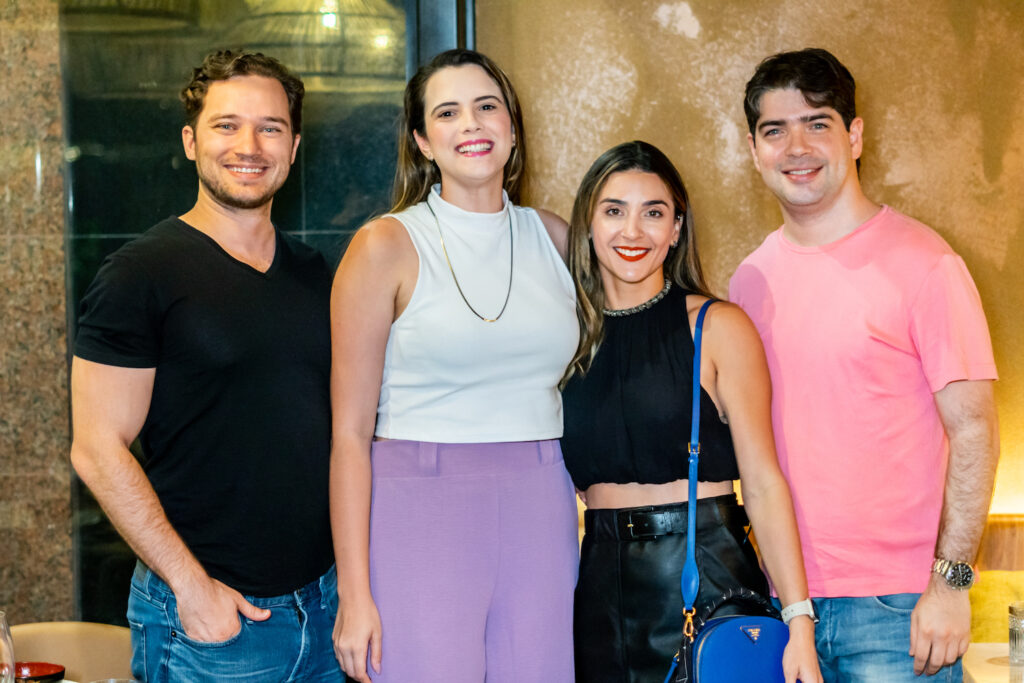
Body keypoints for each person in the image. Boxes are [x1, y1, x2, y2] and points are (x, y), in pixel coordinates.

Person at [69, 50, 343, 682]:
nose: (249, 144)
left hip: (324, 610)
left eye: (270, 127)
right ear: (191, 141)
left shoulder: (317, 275)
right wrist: (193, 590)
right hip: (215, 627)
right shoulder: (140, 274)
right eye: (226, 125)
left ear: (294, 146)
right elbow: (96, 448)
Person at [731, 48, 1000, 681]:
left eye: (817, 123)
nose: (796, 146)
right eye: (775, 130)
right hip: (779, 608)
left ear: (854, 135)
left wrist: (951, 584)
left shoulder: (925, 262)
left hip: (899, 612)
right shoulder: (749, 281)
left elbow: (976, 429)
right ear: (753, 149)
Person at [329, 49, 579, 683]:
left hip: (542, 497)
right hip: (420, 504)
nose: (472, 125)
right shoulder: (384, 245)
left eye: (487, 106)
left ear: (513, 127)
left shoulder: (555, 237)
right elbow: (349, 435)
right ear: (422, 140)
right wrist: (355, 597)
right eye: (448, 112)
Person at [561, 140, 822, 683]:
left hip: (706, 570)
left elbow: (765, 481)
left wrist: (798, 621)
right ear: (587, 222)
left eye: (653, 213)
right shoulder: (568, 338)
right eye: (614, 211)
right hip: (600, 583)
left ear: (677, 228)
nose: (633, 231)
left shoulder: (716, 326)